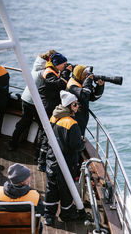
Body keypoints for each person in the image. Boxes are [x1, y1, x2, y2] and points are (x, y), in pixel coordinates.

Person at [44, 90, 85, 226]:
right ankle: (66, 213)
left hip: (52, 159)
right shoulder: (71, 124)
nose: (77, 106)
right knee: (66, 189)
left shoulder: (54, 117)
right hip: (66, 163)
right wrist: (82, 142)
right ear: (69, 106)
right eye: (75, 104)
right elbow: (76, 145)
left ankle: (48, 215)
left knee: (51, 188)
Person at [8, 50, 56, 151]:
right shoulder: (45, 71)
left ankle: (13, 142)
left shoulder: (37, 65)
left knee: (24, 121)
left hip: (26, 98)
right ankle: (39, 151)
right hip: (34, 102)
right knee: (44, 127)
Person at [37, 53, 72, 171]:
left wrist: (64, 72)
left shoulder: (52, 71)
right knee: (47, 133)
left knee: (46, 132)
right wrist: (66, 73)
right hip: (47, 106)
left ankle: (40, 158)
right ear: (57, 64)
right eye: (64, 64)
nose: (65, 66)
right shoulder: (49, 73)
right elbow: (59, 84)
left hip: (48, 105)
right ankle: (41, 161)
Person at [0, 163, 44, 233]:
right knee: (39, 224)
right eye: (28, 176)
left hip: (3, 229)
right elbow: (41, 212)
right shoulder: (34, 196)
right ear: (23, 181)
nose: (31, 177)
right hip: (26, 230)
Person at [67, 65, 105, 137]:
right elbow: (84, 96)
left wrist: (100, 86)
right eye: (84, 75)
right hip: (75, 117)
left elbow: (92, 97)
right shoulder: (72, 85)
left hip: (81, 117)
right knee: (76, 138)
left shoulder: (81, 82)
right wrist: (88, 81)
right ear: (78, 74)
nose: (85, 76)